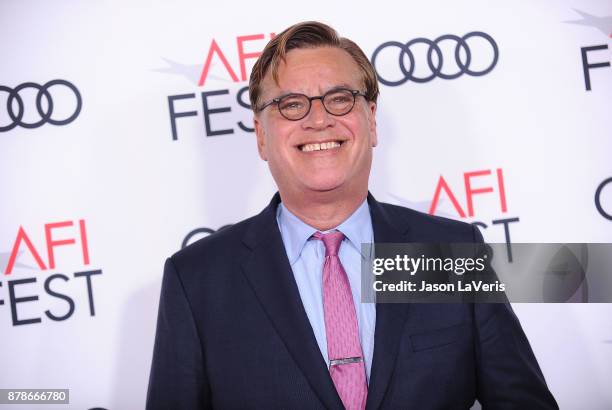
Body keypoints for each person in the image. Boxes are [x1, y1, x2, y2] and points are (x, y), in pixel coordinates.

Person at [146, 21, 558, 409]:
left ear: (372, 121)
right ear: (261, 135)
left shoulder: (449, 253)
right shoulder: (198, 280)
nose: (319, 118)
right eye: (291, 105)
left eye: (340, 98)